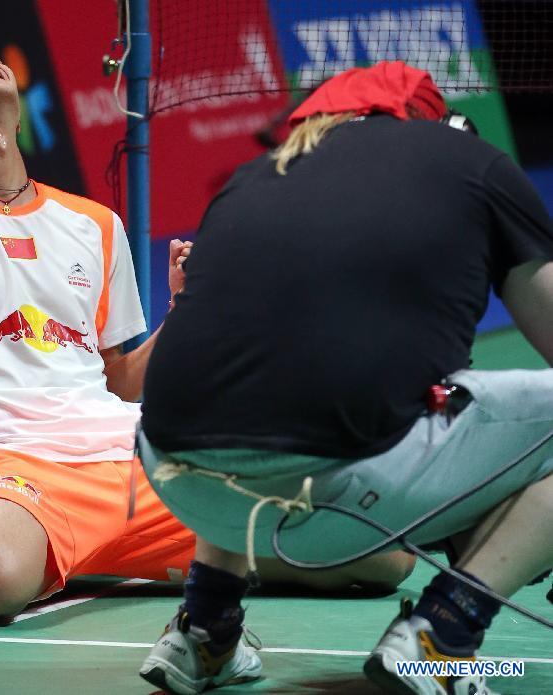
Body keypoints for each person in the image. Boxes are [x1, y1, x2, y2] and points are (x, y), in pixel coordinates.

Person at [0, 39, 415, 645]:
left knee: (383, 551)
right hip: (22, 467)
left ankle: (75, 556)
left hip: (144, 461)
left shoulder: (93, 224)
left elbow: (122, 381)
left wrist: (188, 309)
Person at [137, 61, 553, 695]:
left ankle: (205, 629)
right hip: (338, 486)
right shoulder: (471, 161)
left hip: (176, 477)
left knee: (254, 380)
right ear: (434, 120)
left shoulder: (249, 178)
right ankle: (443, 637)